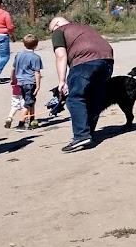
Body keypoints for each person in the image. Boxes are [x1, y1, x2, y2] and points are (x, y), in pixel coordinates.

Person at [47, 16, 115, 152]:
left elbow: (61, 56)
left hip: (84, 62)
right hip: (107, 60)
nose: (52, 33)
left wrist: (61, 81)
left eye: (51, 30)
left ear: (57, 24)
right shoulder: (85, 27)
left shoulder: (60, 30)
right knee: (95, 98)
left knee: (74, 98)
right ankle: (88, 133)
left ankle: (81, 135)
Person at [6, 34, 42, 129]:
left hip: (20, 82)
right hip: (30, 82)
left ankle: (32, 120)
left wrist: (13, 79)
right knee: (28, 103)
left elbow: (13, 68)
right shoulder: (35, 57)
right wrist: (38, 86)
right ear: (36, 45)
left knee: (30, 101)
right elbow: (37, 72)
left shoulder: (19, 55)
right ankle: (21, 124)